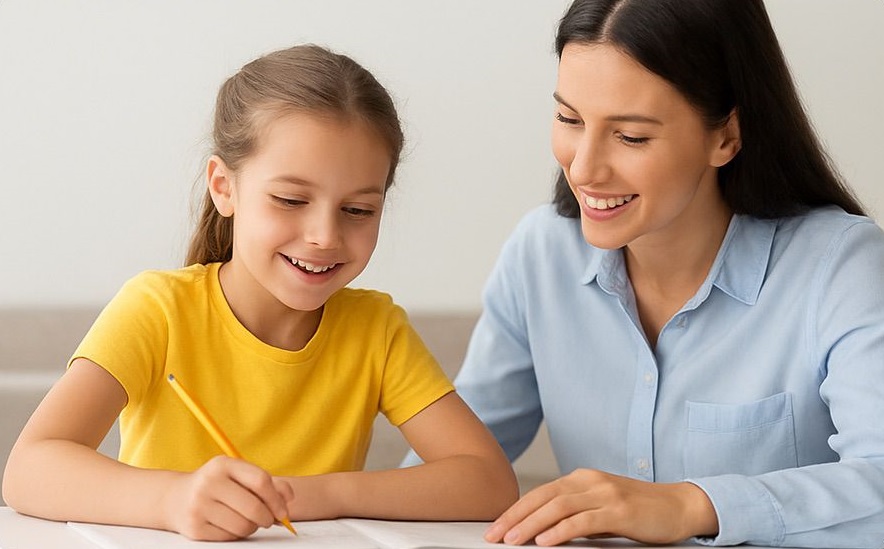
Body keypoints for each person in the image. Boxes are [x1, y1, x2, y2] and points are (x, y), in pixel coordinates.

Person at [1, 44, 518, 541]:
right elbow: (29, 469)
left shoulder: (376, 330)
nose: (325, 236)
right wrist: (173, 500)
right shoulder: (157, 309)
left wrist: (313, 495)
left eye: (359, 210)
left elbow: (488, 482)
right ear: (224, 187)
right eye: (291, 199)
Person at [417, 0, 884, 547]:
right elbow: (457, 467)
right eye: (569, 119)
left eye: (631, 136)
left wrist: (692, 505)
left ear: (726, 136)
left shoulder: (840, 265)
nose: (583, 168)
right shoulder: (541, 255)